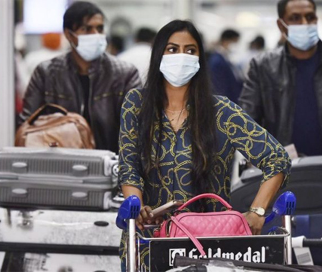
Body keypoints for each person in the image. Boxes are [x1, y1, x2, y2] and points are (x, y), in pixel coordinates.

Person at [118, 20, 291, 271]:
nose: (181, 56)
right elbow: (128, 166)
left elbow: (277, 158)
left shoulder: (221, 111)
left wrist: (257, 211)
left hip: (210, 248)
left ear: (200, 58)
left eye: (190, 50)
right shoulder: (136, 104)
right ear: (158, 55)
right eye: (172, 49)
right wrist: (136, 206)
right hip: (148, 243)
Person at [18, 1, 142, 153]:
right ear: (69, 34)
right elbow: (28, 124)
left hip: (110, 165)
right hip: (60, 166)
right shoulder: (46, 73)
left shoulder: (125, 74)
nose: (95, 35)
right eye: (87, 29)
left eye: (100, 28)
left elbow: (137, 128)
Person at [239, 0, 322, 156]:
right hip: (283, 172)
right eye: (295, 18)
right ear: (281, 25)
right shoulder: (263, 67)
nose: (304, 23)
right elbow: (245, 124)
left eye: (310, 17)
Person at [208, 29, 243, 104]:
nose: (235, 46)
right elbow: (219, 87)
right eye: (234, 42)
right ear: (226, 41)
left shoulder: (226, 58)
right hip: (226, 103)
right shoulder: (217, 60)